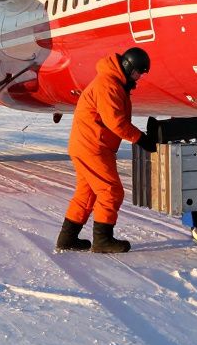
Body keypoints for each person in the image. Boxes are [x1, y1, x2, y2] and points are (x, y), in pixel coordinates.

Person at [56, 47, 155, 254]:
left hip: (87, 145)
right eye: (137, 72)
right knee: (111, 191)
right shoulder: (108, 85)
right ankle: (102, 240)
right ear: (127, 67)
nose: (138, 77)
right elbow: (115, 122)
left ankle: (67, 238)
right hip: (93, 146)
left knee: (87, 193)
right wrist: (141, 139)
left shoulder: (113, 82)